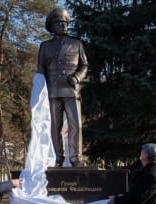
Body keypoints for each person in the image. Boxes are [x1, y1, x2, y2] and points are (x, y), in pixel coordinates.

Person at [37, 8, 88, 167]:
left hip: (71, 90)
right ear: (52, 27)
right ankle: (57, 158)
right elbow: (40, 70)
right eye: (59, 23)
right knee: (55, 127)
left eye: (65, 23)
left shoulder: (76, 44)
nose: (63, 26)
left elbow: (84, 65)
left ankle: (75, 157)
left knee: (76, 125)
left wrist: (77, 77)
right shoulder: (45, 46)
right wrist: (39, 91)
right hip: (52, 90)